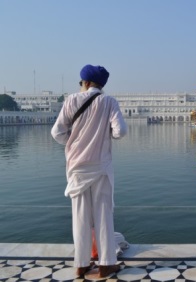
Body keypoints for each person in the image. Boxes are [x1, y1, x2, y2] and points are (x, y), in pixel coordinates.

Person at [51, 64, 127, 278]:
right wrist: (104, 135)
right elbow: (121, 131)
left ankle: (81, 264)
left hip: (76, 167)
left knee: (80, 217)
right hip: (100, 167)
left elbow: (57, 132)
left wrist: (73, 143)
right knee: (103, 214)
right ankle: (105, 264)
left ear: (85, 83)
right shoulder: (109, 102)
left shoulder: (71, 100)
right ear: (100, 85)